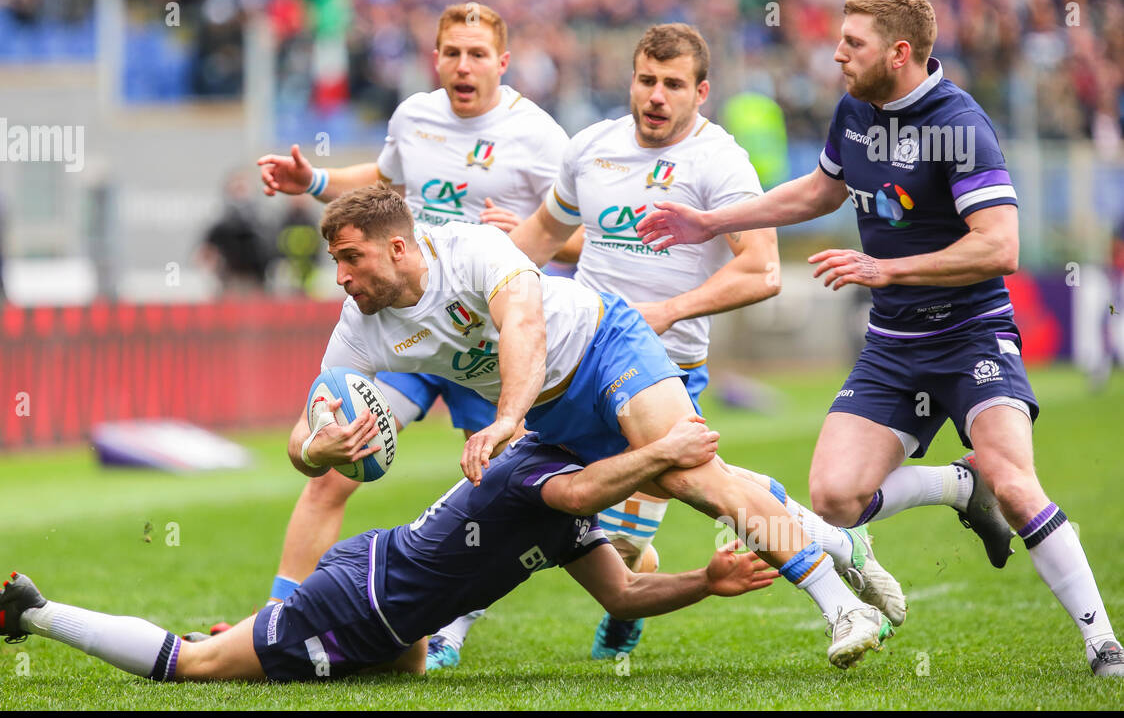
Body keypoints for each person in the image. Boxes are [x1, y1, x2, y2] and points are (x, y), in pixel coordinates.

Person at [633, 0, 1123, 677]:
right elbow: (821, 189)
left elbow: (1000, 246)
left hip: (972, 335)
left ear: (899, 52)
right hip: (894, 346)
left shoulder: (960, 125)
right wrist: (712, 222)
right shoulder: (856, 110)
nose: (836, 54)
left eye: (852, 43)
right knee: (836, 499)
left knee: (1016, 483)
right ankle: (960, 486)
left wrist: (891, 270)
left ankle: (1104, 642)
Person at [291, 184, 899, 669]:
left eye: (351, 258)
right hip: (555, 412)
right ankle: (838, 541)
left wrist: (506, 420)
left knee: (689, 477)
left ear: (398, 248)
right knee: (670, 481)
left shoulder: (470, 250)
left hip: (605, 343)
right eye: (336, 261)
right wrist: (318, 450)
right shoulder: (359, 327)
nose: (341, 276)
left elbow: (525, 329)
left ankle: (844, 610)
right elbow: (305, 431)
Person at [509, 23, 888, 661]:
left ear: (701, 92)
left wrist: (665, 312)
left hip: (664, 365)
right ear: (632, 80)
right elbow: (543, 237)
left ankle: (832, 574)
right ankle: (824, 539)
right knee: (610, 536)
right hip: (578, 363)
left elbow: (761, 270)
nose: (656, 96)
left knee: (689, 488)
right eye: (646, 80)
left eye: (673, 85)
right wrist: (472, 278)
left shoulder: (719, 161)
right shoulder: (590, 149)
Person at [254, 4, 578, 656]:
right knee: (331, 469)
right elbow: (381, 185)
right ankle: (275, 620)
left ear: (503, 62)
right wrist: (313, 181)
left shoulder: (540, 136)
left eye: (477, 53)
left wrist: (526, 238)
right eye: (451, 52)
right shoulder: (414, 117)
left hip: (482, 334)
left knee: (494, 489)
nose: (463, 65)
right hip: (403, 324)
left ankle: (454, 626)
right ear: (436, 58)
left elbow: (585, 237)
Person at [0, 423, 778, 682]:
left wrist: (706, 580)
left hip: (396, 611)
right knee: (196, 667)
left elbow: (625, 599)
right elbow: (578, 495)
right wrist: (666, 448)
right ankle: (36, 612)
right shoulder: (541, 471)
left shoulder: (577, 512)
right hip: (362, 599)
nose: (673, 480)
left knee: (411, 673)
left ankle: (257, 631)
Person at [198, 169, 274, 291]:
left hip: (257, 283)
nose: (240, 194)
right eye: (236, 188)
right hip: (229, 282)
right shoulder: (220, 224)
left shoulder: (264, 222)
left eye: (243, 188)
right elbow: (204, 253)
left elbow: (273, 250)